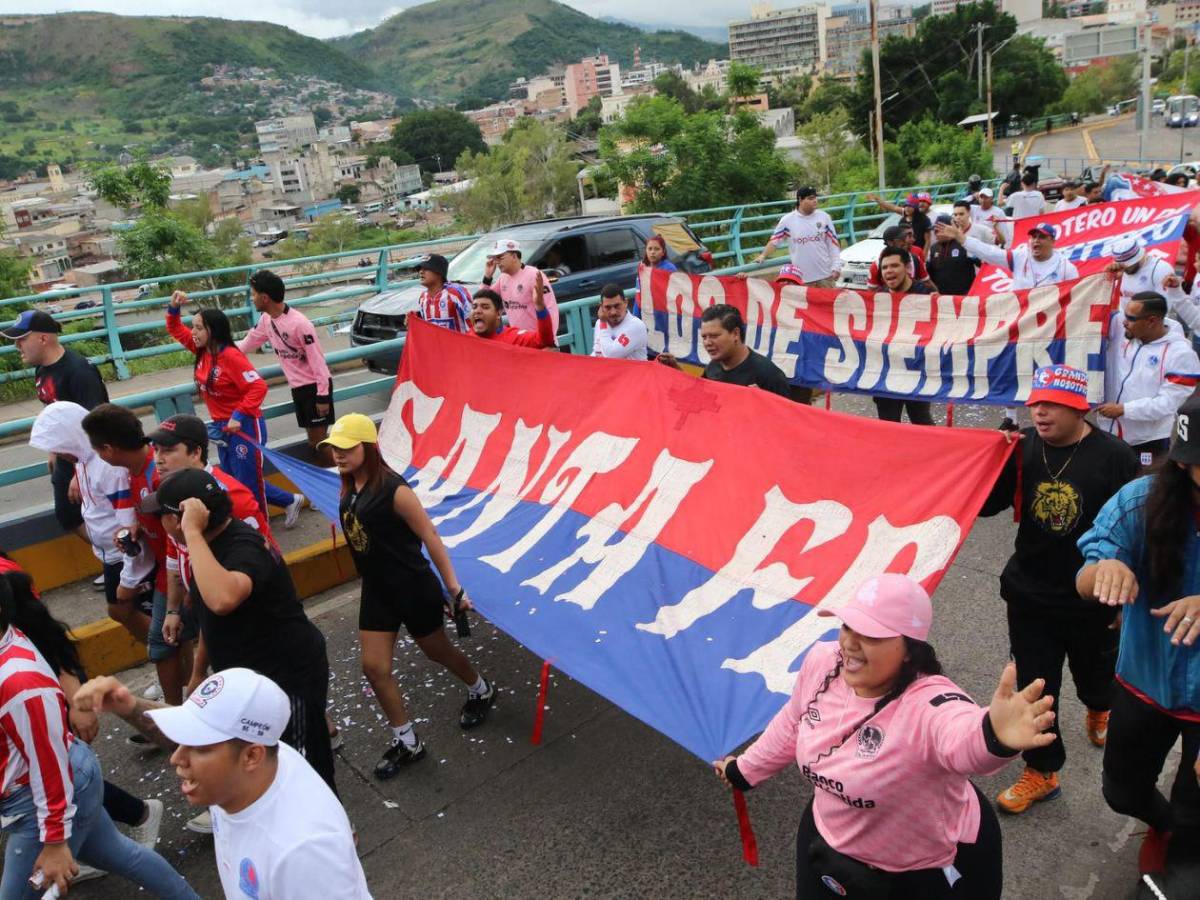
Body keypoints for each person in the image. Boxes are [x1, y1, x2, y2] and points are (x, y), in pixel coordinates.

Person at [713, 574, 1056, 900]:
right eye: (848, 625)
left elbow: (963, 740)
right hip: (828, 839)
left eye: (871, 635)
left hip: (927, 868)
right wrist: (744, 770)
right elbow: (793, 721)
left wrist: (995, 735)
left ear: (909, 648)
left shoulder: (929, 702)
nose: (849, 643)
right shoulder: (822, 662)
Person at [979, 365, 1139, 815]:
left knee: (1096, 676)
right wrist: (992, 460)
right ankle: (1043, 770)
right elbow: (989, 507)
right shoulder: (1022, 447)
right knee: (1036, 684)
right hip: (1030, 594)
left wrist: (1127, 598)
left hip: (1092, 600)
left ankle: (1099, 706)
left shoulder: (1115, 457)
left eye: (1051, 404)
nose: (1040, 411)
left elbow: (1135, 530)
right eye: (1035, 403)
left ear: (1079, 408)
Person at [73, 668, 371, 899]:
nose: (176, 757)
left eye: (199, 747)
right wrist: (128, 706)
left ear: (251, 756)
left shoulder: (303, 853)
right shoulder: (258, 762)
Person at [0, 577, 200, 900]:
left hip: (46, 797)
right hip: (64, 783)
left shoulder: (20, 686)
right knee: (123, 855)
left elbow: (48, 763)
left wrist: (54, 841)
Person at [140, 468, 337, 794]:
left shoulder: (242, 547)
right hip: (251, 678)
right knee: (267, 760)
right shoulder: (205, 549)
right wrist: (200, 670)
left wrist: (191, 533)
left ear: (182, 519)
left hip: (288, 675)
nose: (159, 522)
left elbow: (222, 600)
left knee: (303, 764)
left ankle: (335, 833)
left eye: (163, 514)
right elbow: (209, 618)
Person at [322, 414, 495, 779]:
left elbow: (430, 535)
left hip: (412, 587)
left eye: (346, 448)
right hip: (377, 590)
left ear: (368, 448)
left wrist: (453, 588)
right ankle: (407, 741)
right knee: (374, 667)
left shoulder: (393, 489)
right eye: (334, 448)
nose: (338, 455)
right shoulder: (348, 485)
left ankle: (481, 689)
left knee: (437, 651)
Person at [1076, 397, 1200, 875]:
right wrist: (1104, 569)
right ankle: (1163, 824)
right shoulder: (1140, 501)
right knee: (1121, 791)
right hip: (1142, 684)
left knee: (1197, 810)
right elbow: (1087, 575)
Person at [80, 404, 195, 707]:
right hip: (167, 571)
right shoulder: (134, 472)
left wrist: (178, 588)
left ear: (108, 449)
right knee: (173, 639)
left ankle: (176, 715)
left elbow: (180, 534)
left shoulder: (158, 476)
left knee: (165, 642)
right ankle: (181, 709)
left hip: (177, 571)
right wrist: (138, 530)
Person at [29, 402, 157, 660]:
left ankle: (164, 652)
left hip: (126, 556)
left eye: (60, 446)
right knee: (124, 610)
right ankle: (164, 652)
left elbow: (128, 523)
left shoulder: (107, 466)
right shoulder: (85, 460)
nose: (58, 454)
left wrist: (130, 577)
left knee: (124, 609)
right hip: (112, 554)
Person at [166, 291, 305, 525]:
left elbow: (258, 387)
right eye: (193, 327)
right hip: (222, 428)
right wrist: (173, 309)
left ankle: (260, 530)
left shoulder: (231, 356)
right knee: (231, 481)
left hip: (244, 426)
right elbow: (176, 330)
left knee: (248, 483)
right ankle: (289, 500)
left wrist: (238, 415)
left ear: (213, 331)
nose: (193, 333)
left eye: (199, 328)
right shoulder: (202, 351)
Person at [1, 310, 108, 560]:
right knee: (67, 514)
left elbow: (100, 421)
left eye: (21, 339)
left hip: (89, 455)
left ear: (42, 339)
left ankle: (118, 557)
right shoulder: (42, 370)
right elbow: (54, 413)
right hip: (66, 455)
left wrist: (82, 471)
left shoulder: (79, 371)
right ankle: (108, 556)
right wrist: (53, 449)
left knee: (97, 511)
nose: (17, 346)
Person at [238, 269, 334, 468]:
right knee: (314, 443)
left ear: (265, 298)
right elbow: (247, 343)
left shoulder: (300, 324)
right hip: (299, 389)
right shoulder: (266, 320)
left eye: (253, 294)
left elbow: (318, 361)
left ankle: (347, 482)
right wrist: (218, 353)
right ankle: (334, 485)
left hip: (314, 388)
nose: (251, 298)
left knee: (319, 444)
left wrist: (323, 396)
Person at [1097, 291, 1200, 469]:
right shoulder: (1124, 328)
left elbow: (1169, 404)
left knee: (1144, 494)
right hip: (1109, 435)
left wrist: (1124, 410)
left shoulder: (1182, 355)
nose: (1123, 322)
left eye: (1130, 318)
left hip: (1147, 441)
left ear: (1152, 321)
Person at [655, 304, 791, 398]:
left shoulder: (769, 375)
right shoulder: (713, 367)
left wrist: (763, 402)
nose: (707, 342)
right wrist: (676, 371)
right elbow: (700, 397)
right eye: (704, 337)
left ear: (735, 334)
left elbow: (789, 422)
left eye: (714, 336)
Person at [870, 246, 936, 426]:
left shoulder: (927, 295)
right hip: (886, 375)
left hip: (918, 371)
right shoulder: (878, 298)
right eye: (884, 268)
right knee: (888, 426)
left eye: (894, 266)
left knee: (921, 421)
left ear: (907, 268)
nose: (889, 271)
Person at [938, 220, 1078, 290]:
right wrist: (961, 238)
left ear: (1052, 241)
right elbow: (989, 252)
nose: (1035, 241)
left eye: (1041, 237)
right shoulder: (1020, 257)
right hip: (1021, 321)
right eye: (1033, 237)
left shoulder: (1066, 268)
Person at [747, 187, 841, 287]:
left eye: (815, 198)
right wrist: (763, 255)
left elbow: (833, 244)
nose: (815, 201)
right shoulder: (787, 220)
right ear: (800, 200)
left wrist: (836, 266)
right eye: (810, 198)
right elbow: (775, 241)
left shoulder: (824, 217)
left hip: (825, 276)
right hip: (802, 279)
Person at [480, 238, 560, 334]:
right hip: (519, 341)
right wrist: (487, 277)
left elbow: (551, 309)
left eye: (500, 257)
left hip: (538, 341)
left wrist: (548, 340)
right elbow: (483, 299)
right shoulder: (503, 278)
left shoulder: (534, 275)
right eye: (495, 258)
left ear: (514, 256)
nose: (497, 262)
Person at [469, 288, 556, 348]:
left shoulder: (513, 338)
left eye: (485, 307)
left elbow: (545, 340)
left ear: (498, 313)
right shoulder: (465, 340)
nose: (477, 311)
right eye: (474, 307)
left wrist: (540, 307)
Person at [412, 253, 472, 334]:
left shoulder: (455, 293)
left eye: (426, 268)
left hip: (460, 345)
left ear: (439, 272)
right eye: (419, 269)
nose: (421, 272)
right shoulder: (423, 298)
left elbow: (472, 324)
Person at [928, 213, 981, 295]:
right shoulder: (933, 248)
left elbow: (982, 265)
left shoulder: (965, 244)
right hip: (942, 297)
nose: (935, 234)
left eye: (938, 230)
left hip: (964, 296)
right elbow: (930, 273)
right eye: (934, 231)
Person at [866, 225, 931, 291]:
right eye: (901, 240)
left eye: (905, 238)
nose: (905, 241)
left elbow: (927, 283)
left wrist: (938, 298)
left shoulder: (915, 259)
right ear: (891, 243)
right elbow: (871, 293)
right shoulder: (876, 266)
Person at [592, 283, 648, 360]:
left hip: (634, 371)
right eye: (608, 307)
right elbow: (597, 353)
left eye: (617, 306)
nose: (613, 312)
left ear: (625, 303)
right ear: (601, 307)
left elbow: (611, 356)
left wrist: (603, 324)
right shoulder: (599, 323)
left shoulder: (636, 326)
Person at [864, 193, 932, 254]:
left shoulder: (924, 220)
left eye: (910, 206)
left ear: (915, 208)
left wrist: (923, 259)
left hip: (918, 252)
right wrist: (877, 199)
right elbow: (892, 207)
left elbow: (927, 242)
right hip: (904, 251)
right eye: (906, 206)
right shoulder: (905, 214)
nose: (907, 208)